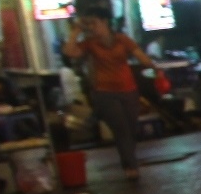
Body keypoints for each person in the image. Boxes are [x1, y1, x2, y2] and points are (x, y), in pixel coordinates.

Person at [67, 11, 159, 179]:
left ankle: (128, 161)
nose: (93, 28)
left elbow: (141, 57)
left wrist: (152, 66)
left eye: (95, 23)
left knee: (130, 129)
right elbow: (70, 52)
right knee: (121, 128)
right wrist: (76, 31)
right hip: (105, 93)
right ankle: (130, 166)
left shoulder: (122, 39)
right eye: (90, 25)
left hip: (128, 90)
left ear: (105, 22)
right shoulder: (90, 44)